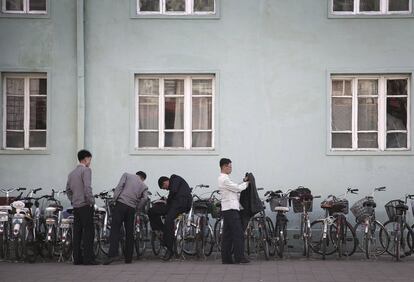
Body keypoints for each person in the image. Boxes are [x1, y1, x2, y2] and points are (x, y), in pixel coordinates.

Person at [103, 171, 149, 265]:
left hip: (121, 204)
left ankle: (113, 254)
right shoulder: (144, 186)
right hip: (131, 208)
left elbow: (119, 187)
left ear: (137, 174)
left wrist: (115, 199)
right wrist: (137, 208)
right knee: (130, 232)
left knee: (115, 229)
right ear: (143, 178)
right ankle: (128, 258)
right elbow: (144, 199)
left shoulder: (127, 175)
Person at [148, 174, 192, 261]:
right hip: (173, 205)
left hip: (181, 204)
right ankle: (160, 230)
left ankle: (169, 249)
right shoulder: (173, 185)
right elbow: (171, 196)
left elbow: (173, 191)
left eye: (165, 187)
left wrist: (168, 200)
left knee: (168, 220)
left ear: (166, 181)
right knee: (151, 211)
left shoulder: (175, 179)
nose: (166, 189)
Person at [66, 149, 98, 265]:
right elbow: (87, 188)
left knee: (77, 232)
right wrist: (92, 201)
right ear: (86, 159)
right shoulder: (86, 170)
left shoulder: (72, 173)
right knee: (89, 232)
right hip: (85, 205)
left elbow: (68, 190)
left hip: (76, 206)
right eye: (90, 159)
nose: (90, 162)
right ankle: (88, 259)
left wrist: (73, 200)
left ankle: (77, 259)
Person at [218, 158, 250, 264]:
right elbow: (237, 188)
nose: (231, 168)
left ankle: (226, 258)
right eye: (230, 166)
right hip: (231, 209)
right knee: (238, 233)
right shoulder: (224, 179)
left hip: (227, 209)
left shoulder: (225, 179)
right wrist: (247, 183)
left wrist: (243, 182)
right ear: (224, 166)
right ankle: (239, 257)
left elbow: (234, 187)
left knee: (227, 235)